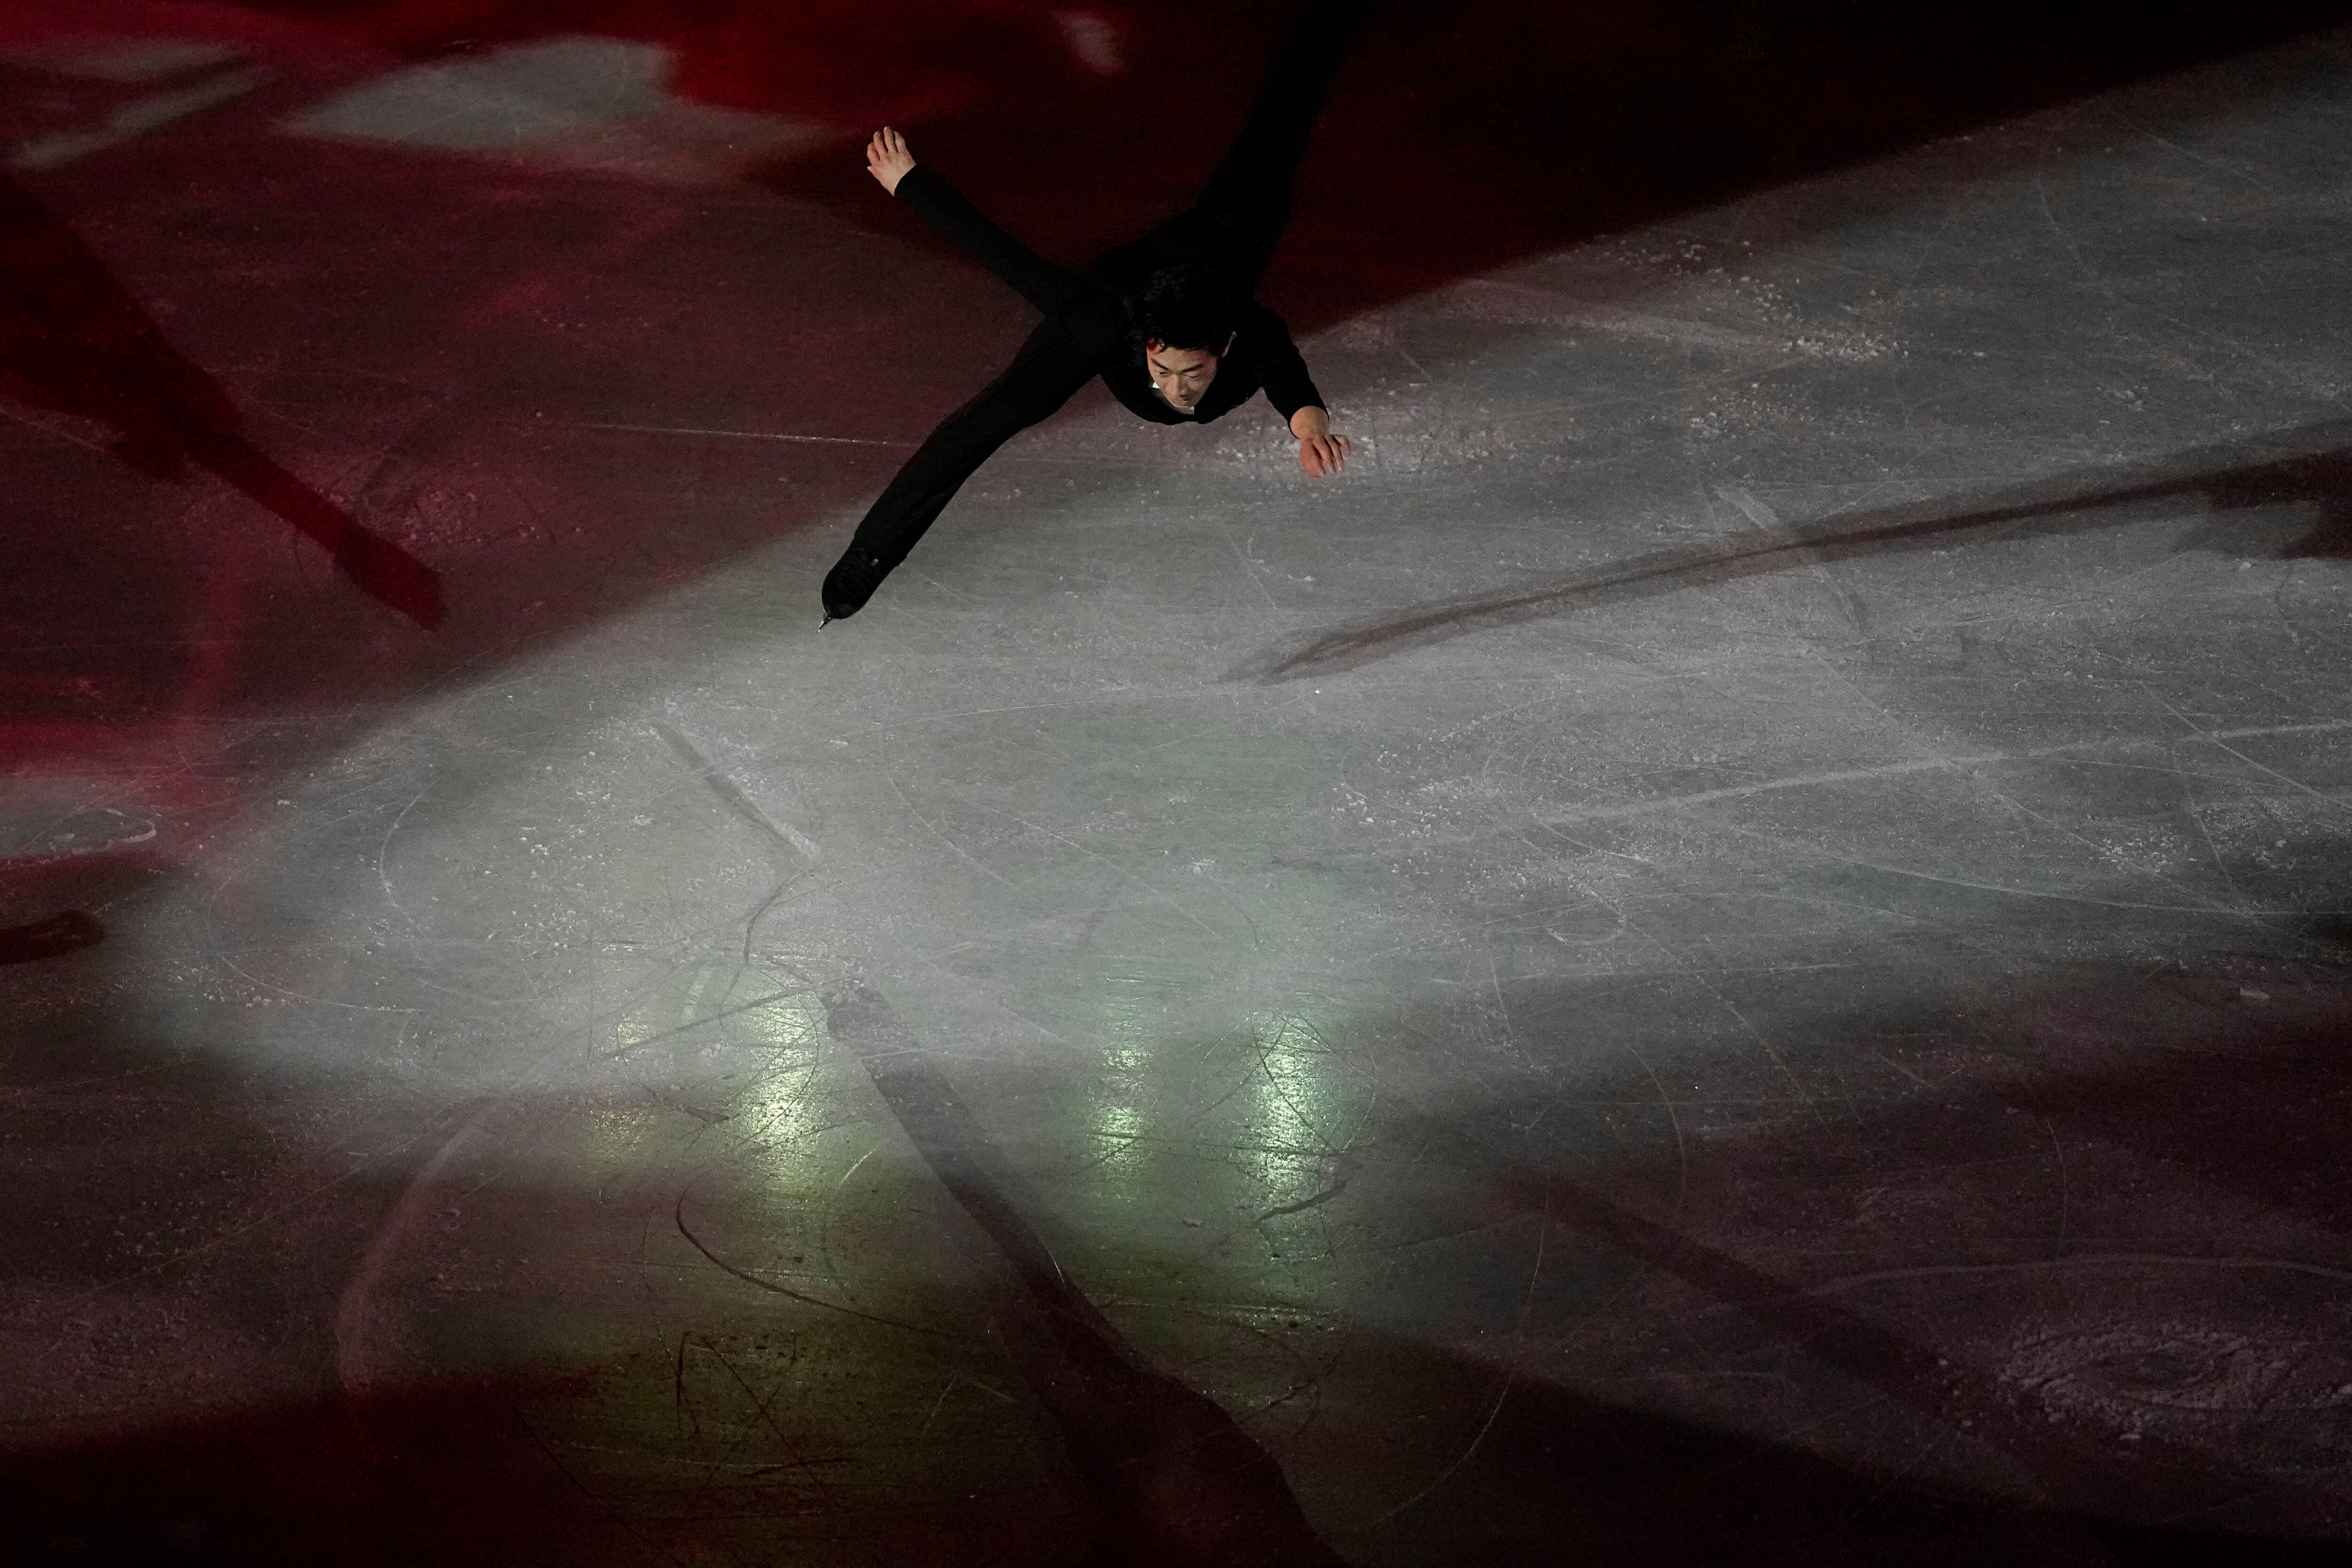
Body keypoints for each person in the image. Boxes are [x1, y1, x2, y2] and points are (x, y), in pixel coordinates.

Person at [821, 0, 1372, 623]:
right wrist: (911, 183)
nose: (1177, 390)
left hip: (1226, 231)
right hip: (1116, 292)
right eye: (1165, 371)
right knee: (991, 417)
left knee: (1284, 117)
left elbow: (1287, 374)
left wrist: (1310, 429)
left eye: (1192, 374)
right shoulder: (1103, 322)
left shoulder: (1251, 331)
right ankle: (872, 553)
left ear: (1223, 349)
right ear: (1148, 349)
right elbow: (1008, 259)